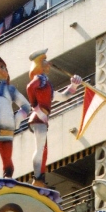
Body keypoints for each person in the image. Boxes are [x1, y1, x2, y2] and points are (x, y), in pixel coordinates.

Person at [27, 49, 81, 186]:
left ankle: (40, 177)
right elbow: (29, 88)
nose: (49, 63)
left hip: (42, 118)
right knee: (40, 148)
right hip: (39, 117)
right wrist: (37, 110)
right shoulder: (40, 79)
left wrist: (74, 85)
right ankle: (38, 178)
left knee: (43, 150)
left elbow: (63, 96)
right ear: (39, 64)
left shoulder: (46, 85)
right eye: (45, 60)